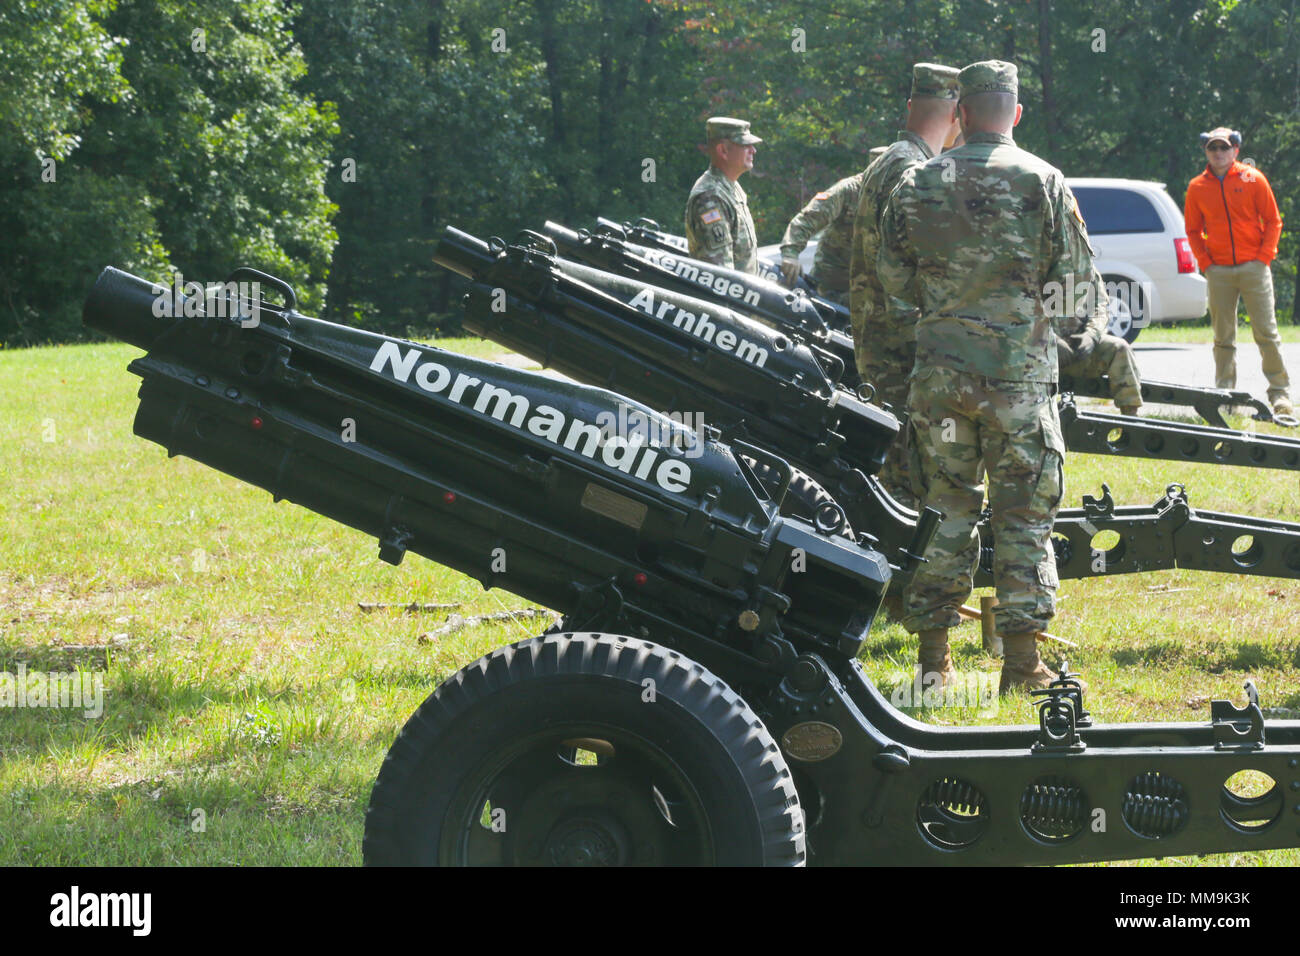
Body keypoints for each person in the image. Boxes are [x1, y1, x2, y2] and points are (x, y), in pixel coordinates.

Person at [878, 60, 1094, 694]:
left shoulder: (917, 183)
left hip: (940, 379)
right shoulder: (1045, 181)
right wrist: (1025, 321)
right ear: (1016, 114)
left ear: (962, 113)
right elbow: (1076, 292)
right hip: (1017, 383)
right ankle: (1023, 666)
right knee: (1024, 516)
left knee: (944, 508)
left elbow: (892, 285)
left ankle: (933, 663)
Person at [848, 62, 960, 509]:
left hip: (882, 344)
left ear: (912, 105)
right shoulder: (913, 171)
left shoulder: (890, 160)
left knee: (897, 471)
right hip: (900, 350)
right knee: (909, 480)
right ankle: (904, 576)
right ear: (956, 114)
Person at [1184, 127, 1292, 417]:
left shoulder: (1253, 178)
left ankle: (1280, 395)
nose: (1218, 153)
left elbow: (1273, 220)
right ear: (1206, 151)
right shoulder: (1197, 187)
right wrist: (1206, 263)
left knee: (1266, 333)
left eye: (1224, 147)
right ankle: (1226, 396)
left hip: (1253, 267)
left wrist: (1263, 257)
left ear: (1236, 150)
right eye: (1213, 148)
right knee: (1223, 337)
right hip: (1218, 270)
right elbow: (1193, 230)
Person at [776, 155, 883, 304]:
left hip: (869, 293)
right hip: (829, 288)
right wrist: (790, 254)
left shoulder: (896, 196)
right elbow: (808, 219)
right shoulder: (848, 190)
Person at [1057, 268, 1144, 416]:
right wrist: (1052, 340)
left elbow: (1100, 306)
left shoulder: (1085, 266)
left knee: (1119, 348)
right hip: (1039, 348)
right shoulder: (1036, 262)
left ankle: (1131, 421)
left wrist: (1091, 335)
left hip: (1079, 345)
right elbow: (1022, 312)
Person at [684, 117, 762, 274]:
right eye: (745, 145)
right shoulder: (710, 198)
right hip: (727, 298)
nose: (753, 150)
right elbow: (720, 275)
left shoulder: (731, 187)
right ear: (723, 151)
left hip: (743, 295)